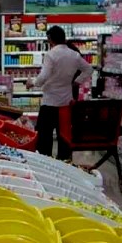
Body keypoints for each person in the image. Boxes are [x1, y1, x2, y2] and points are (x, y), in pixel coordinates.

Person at [30, 25, 93, 160]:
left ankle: (46, 163)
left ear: (50, 39)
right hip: (65, 102)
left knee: (44, 138)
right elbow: (89, 69)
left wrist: (34, 83)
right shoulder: (74, 55)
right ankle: (64, 163)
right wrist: (76, 81)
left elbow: (44, 76)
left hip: (49, 102)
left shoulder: (51, 55)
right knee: (64, 136)